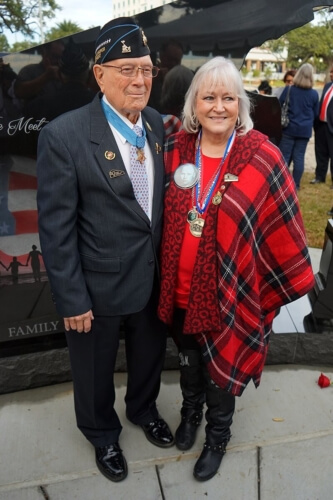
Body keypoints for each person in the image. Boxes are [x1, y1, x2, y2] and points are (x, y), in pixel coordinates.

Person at [158, 56, 315, 482]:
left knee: (219, 370)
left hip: (232, 290)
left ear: (240, 104)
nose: (218, 106)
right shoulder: (175, 148)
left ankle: (217, 437)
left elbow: (284, 228)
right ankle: (190, 414)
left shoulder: (261, 155)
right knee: (188, 359)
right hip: (179, 289)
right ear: (195, 103)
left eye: (229, 97)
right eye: (208, 97)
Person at [36, 17, 174, 484]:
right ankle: (101, 433)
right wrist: (72, 298)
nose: (140, 80)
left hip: (150, 277)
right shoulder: (65, 136)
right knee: (94, 372)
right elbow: (56, 228)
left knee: (150, 355)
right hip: (96, 286)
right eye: (126, 69)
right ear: (99, 73)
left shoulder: (154, 123)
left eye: (146, 69)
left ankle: (143, 409)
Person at [278, 63, 319, 190]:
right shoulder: (314, 94)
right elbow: (316, 114)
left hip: (288, 128)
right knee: (299, 158)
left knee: (284, 157)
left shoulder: (289, 89)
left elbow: (279, 105)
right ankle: (295, 185)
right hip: (304, 130)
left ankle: (281, 184)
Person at [310, 65, 333, 187]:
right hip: (322, 125)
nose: (331, 75)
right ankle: (320, 176)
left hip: (331, 127)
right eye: (330, 72)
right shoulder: (328, 86)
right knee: (320, 153)